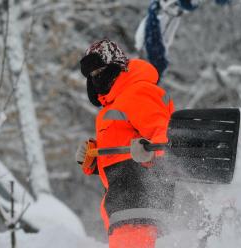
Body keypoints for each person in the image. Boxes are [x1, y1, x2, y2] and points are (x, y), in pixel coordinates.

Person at [75, 38, 175, 248]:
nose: (96, 78)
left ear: (115, 67)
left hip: (142, 203)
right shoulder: (113, 105)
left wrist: (151, 153)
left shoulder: (137, 92)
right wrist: (95, 159)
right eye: (91, 75)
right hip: (124, 205)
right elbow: (123, 153)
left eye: (100, 70)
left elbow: (166, 139)